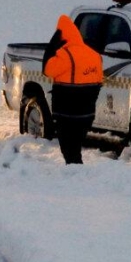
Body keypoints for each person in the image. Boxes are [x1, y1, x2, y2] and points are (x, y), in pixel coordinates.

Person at [42, 14, 103, 164]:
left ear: (60, 35)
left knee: (69, 149)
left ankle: (75, 175)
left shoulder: (65, 55)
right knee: (75, 147)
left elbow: (47, 69)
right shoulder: (94, 55)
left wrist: (51, 46)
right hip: (87, 113)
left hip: (67, 113)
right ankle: (76, 172)